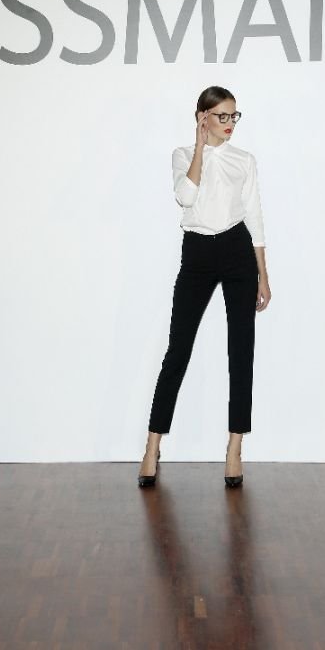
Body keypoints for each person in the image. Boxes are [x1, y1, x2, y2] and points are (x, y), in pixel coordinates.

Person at [138, 85, 271, 488]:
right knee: (178, 349)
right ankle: (151, 447)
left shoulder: (244, 160)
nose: (230, 124)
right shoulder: (182, 155)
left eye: (234, 116)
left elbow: (255, 216)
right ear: (203, 117)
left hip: (237, 250)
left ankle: (235, 448)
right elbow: (185, 196)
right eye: (222, 116)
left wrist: (263, 274)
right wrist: (199, 147)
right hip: (197, 252)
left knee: (241, 351)